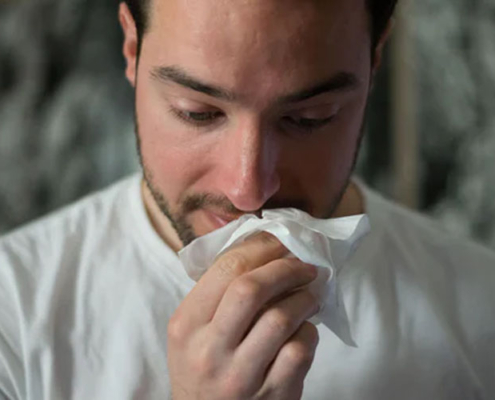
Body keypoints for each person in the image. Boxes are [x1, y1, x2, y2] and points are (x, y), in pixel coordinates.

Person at [1, 0, 494, 398]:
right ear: (131, 46)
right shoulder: (14, 316)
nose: (249, 190)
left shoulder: (481, 315)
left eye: (311, 117)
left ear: (375, 61)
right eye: (197, 112)